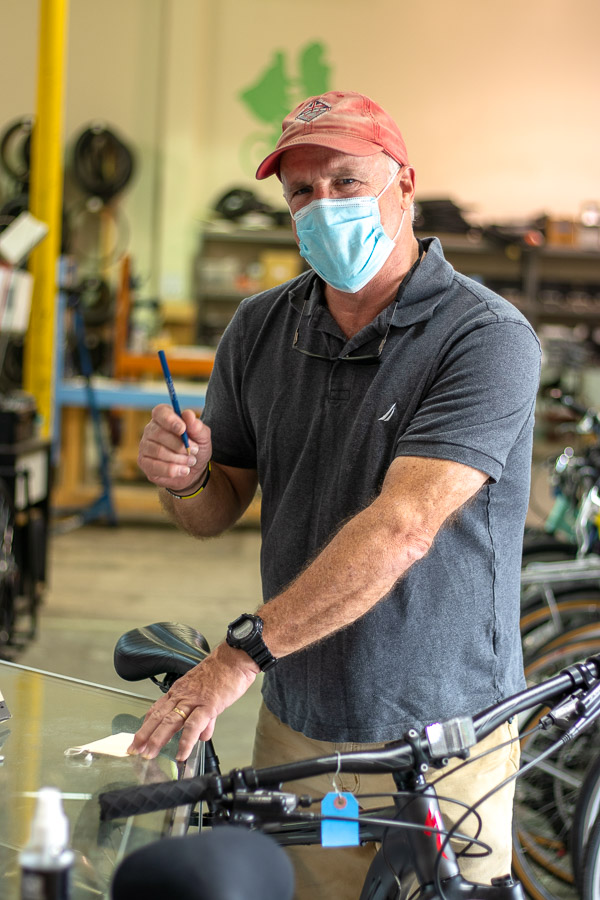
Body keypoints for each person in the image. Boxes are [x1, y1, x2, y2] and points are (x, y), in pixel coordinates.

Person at [129, 90, 541, 898]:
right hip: (301, 727)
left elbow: (403, 528)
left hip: (442, 736)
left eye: (347, 182)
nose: (324, 206)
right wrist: (185, 478)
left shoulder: (484, 338)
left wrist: (236, 659)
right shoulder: (260, 328)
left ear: (404, 184)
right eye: (302, 192)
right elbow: (217, 506)